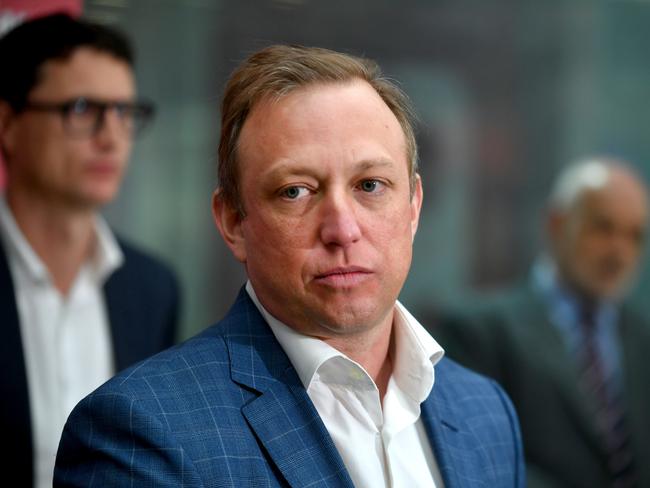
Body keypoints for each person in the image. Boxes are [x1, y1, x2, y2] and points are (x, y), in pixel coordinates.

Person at [54, 44, 524, 487]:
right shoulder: (140, 431)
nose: (342, 228)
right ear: (234, 222)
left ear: (415, 206)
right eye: (295, 191)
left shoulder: (486, 414)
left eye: (371, 185)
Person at [0, 13, 180, 488]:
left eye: (124, 112)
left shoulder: (152, 289)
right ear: (8, 123)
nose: (111, 136)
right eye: (82, 109)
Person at [436, 157, 650, 488]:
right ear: (556, 224)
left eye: (634, 236)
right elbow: (474, 455)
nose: (619, 252)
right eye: (603, 228)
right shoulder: (481, 332)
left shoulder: (642, 338)